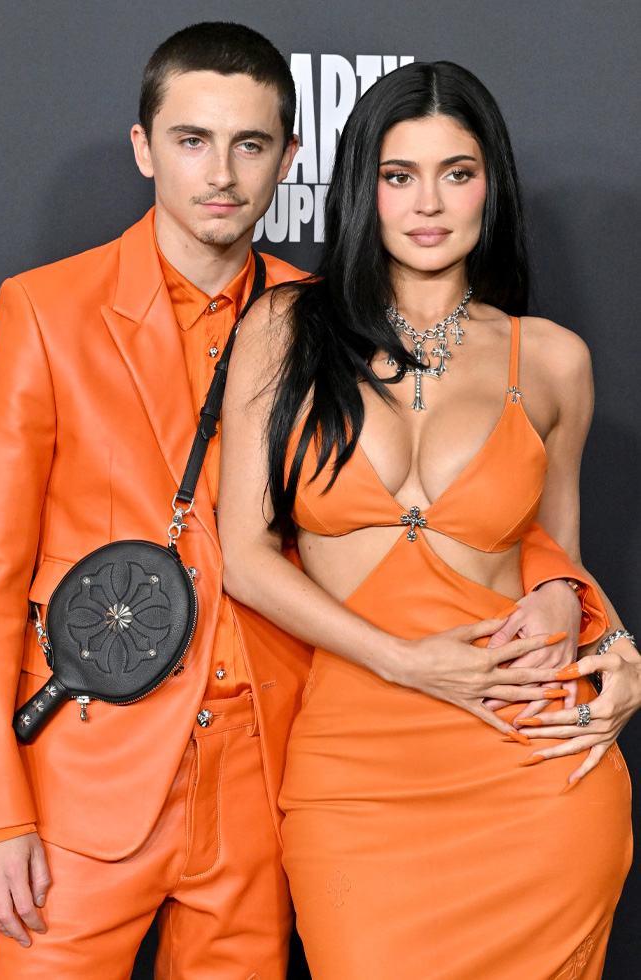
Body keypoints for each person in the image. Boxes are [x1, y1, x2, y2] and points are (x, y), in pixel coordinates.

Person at [0, 24, 610, 979]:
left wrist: (583, 612)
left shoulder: (325, 319)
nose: (222, 174)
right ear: (143, 148)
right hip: (89, 781)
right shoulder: (49, 310)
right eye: (192, 140)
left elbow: (488, 512)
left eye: (250, 145)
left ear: (290, 159)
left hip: (266, 779)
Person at [217, 61, 640, 979]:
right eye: (399, 175)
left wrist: (612, 639)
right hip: (356, 773)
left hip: (529, 767)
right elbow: (243, 557)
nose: (429, 203)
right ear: (362, 187)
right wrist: (404, 661)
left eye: (458, 172)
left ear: (493, 184)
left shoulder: (552, 360)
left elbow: (557, 558)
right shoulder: (285, 328)